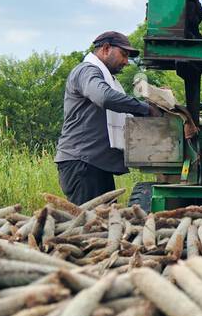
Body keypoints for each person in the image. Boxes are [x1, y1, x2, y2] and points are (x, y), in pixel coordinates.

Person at [54, 31, 161, 205]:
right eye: (124, 55)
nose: (126, 62)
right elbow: (104, 97)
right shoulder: (86, 71)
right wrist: (144, 109)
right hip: (82, 164)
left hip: (95, 164)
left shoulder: (105, 77)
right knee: (88, 225)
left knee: (105, 223)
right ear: (105, 49)